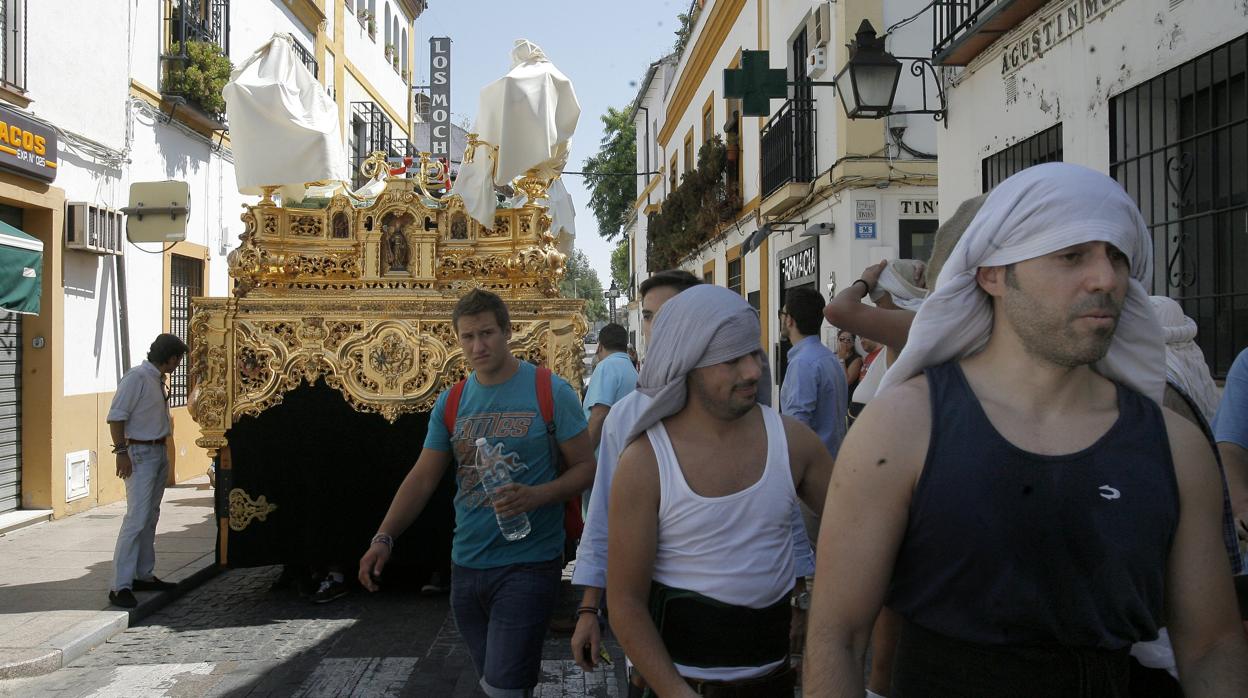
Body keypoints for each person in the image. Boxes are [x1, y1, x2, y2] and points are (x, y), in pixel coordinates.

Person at [805, 163, 1248, 696]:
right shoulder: (900, 431)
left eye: (1117, 256)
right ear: (992, 274)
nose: (1106, 278)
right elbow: (838, 638)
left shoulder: (1174, 450)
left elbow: (1211, 648)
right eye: (1071, 255)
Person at [570, 270, 817, 695]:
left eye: (751, 353)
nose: (753, 370)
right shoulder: (638, 444)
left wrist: (806, 599)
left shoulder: (788, 438)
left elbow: (788, 515)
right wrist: (590, 607)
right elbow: (608, 535)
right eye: (649, 317)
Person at [359, 289, 595, 698]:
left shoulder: (550, 391)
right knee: (497, 681)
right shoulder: (452, 402)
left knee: (502, 686)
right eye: (467, 337)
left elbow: (588, 467)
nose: (477, 346)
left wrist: (538, 495)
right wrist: (384, 536)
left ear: (507, 331)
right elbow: (422, 478)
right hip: (466, 567)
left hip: (528, 563)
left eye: (486, 333)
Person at [107, 333, 188, 609]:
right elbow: (116, 417)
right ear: (172, 358)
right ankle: (120, 585)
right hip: (140, 453)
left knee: (150, 516)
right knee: (136, 518)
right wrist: (121, 453)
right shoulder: (137, 378)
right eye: (178, 359)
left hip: (157, 451)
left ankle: (143, 573)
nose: (178, 365)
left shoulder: (156, 379)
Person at [779, 287, 848, 458]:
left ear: (789, 320)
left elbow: (797, 426)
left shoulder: (803, 363)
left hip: (813, 469)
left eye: (782, 313)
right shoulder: (829, 358)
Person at [583, 323, 638, 455]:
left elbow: (599, 415)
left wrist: (584, 457)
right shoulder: (631, 369)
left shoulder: (606, 366)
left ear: (600, 346)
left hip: (604, 455)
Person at [835, 330, 863, 402]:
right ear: (837, 340)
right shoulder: (832, 356)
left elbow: (847, 381)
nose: (844, 342)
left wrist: (842, 359)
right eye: (841, 339)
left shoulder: (857, 359)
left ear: (853, 343)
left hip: (846, 399)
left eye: (848, 340)